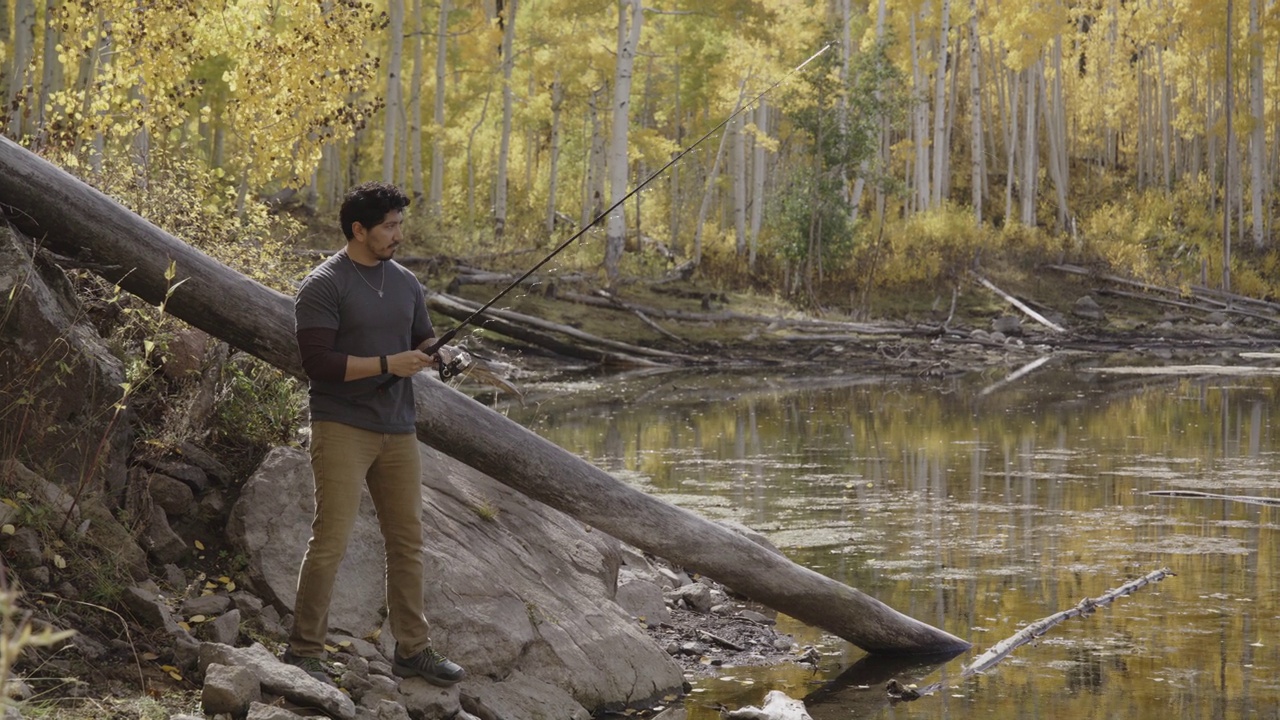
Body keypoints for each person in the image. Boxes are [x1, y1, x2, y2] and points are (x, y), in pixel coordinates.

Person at [284, 181, 465, 687]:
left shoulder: (405, 281)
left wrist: (441, 353)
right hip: (342, 425)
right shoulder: (323, 284)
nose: (398, 234)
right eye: (389, 226)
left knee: (407, 542)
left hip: (399, 428)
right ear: (358, 229)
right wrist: (390, 363)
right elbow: (316, 364)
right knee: (331, 542)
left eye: (399, 224)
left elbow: (421, 338)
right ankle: (303, 649)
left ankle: (413, 650)